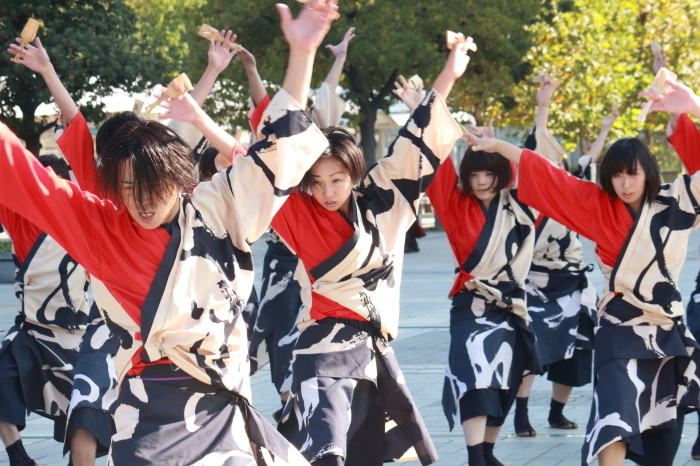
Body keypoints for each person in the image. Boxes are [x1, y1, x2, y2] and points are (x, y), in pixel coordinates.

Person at [1, 1, 338, 464]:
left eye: (149, 188)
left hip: (227, 407)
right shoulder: (102, 223)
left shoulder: (219, 205)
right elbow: (21, 172)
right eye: (124, 187)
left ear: (180, 179)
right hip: (149, 413)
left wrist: (302, 54)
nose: (137, 201)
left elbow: (279, 151)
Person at [185, 37, 466, 465]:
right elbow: (246, 158)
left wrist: (449, 73)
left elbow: (416, 141)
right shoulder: (296, 210)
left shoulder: (386, 198)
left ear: (355, 172)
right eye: (315, 182)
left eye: (336, 180)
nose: (326, 191)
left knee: (367, 451)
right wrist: (197, 117)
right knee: (327, 449)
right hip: (323, 348)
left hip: (373, 349)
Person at [7, 27, 244, 464]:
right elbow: (69, 132)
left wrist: (211, 72)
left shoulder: (199, 207)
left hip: (199, 358)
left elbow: (186, 133)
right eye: (126, 177)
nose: (140, 194)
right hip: (116, 331)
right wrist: (49, 72)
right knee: (88, 407)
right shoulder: (101, 200)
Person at [466, 78, 700, 466]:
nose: (624, 183)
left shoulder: (676, 203)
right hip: (618, 325)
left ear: (649, 173)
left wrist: (692, 108)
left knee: (663, 430)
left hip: (664, 330)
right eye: (617, 175)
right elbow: (546, 174)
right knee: (614, 415)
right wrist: (497, 147)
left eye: (633, 174)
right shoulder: (596, 205)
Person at [418, 102, 542, 465]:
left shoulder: (520, 204)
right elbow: (436, 163)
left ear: (501, 173)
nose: (483, 180)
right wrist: (421, 114)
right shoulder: (454, 204)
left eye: (489, 173)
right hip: (470, 304)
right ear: (467, 178)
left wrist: (538, 109)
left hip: (511, 307)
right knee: (474, 376)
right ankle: (475, 457)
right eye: (475, 175)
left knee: (508, 379)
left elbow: (536, 169)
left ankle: (487, 451)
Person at [241, 27, 355, 407]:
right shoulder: (282, 158)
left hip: (321, 262)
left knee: (311, 336)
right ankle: (291, 402)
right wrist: (250, 69)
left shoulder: (323, 153)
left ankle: (304, 403)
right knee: (280, 335)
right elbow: (265, 114)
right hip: (283, 261)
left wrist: (337, 59)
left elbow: (323, 102)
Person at [512, 72, 619, 437]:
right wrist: (542, 107)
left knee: (577, 349)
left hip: (573, 282)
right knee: (531, 350)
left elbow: (591, 158)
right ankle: (521, 414)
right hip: (537, 283)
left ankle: (557, 412)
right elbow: (531, 149)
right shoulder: (528, 198)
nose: (554, 162)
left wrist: (607, 128)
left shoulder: (575, 190)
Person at [0, 154, 90, 466]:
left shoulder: (86, 215)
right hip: (31, 330)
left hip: (77, 334)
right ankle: (18, 457)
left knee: (87, 409)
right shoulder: (21, 217)